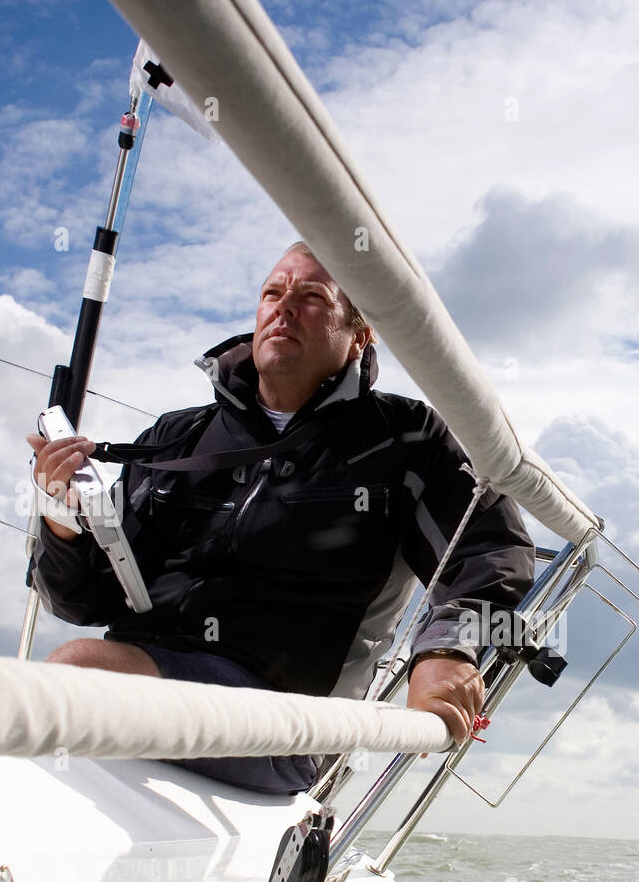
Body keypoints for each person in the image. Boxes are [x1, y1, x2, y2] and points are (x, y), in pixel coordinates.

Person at [26, 242, 535, 795]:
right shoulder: (177, 437)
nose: (283, 307)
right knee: (39, 693)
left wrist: (447, 648)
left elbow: (491, 550)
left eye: (311, 296)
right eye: (272, 292)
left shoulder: (406, 438)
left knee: (75, 674)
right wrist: (62, 521)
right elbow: (84, 603)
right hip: (141, 677)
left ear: (359, 335)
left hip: (286, 722)